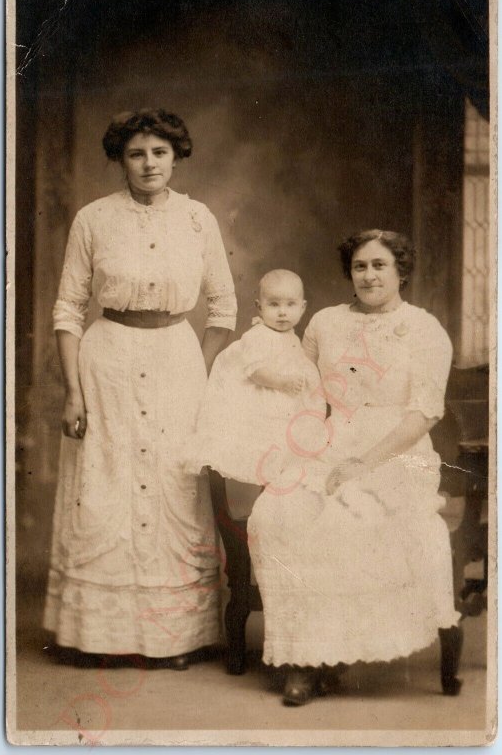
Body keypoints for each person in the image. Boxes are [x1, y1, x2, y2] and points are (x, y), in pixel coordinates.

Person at [43, 108, 237, 668]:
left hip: (177, 360)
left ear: (176, 156)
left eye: (159, 152)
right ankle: (99, 637)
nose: (149, 164)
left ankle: (176, 637)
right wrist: (75, 392)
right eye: (136, 153)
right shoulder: (93, 219)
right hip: (108, 365)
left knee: (174, 487)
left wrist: (197, 376)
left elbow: (223, 306)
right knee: (106, 484)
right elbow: (67, 308)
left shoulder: (199, 219)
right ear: (120, 160)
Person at [248, 229, 461, 705]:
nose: (368, 275)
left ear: (400, 271)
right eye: (360, 266)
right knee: (274, 514)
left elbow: (423, 413)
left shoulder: (425, 329)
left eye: (379, 265)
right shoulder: (324, 322)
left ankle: (328, 659)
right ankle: (305, 655)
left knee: (343, 522)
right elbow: (302, 390)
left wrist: (362, 464)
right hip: (329, 442)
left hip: (396, 453)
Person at [183, 269, 325, 486]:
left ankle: (275, 490)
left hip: (281, 401)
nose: (282, 313)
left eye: (290, 304)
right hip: (257, 400)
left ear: (303, 307)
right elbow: (255, 371)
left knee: (288, 447)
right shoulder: (257, 336)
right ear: (259, 307)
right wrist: (283, 382)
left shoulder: (290, 337)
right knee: (261, 446)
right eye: (274, 304)